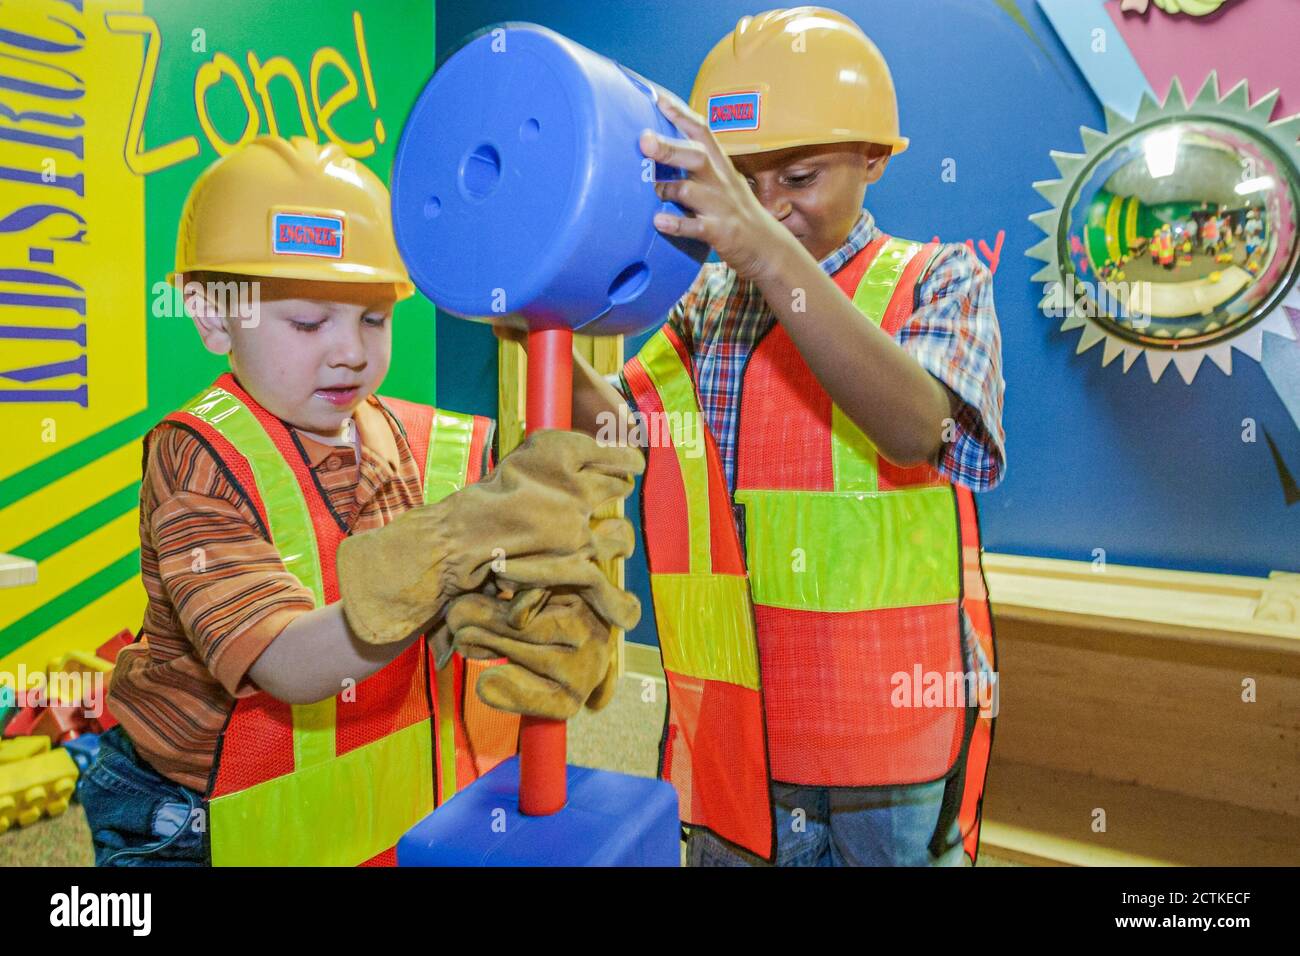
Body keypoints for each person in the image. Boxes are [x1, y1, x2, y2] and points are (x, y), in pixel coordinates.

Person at [494, 7, 1005, 866]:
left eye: (799, 177)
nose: (768, 208)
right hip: (741, 712)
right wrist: (526, 315)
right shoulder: (709, 308)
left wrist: (766, 253)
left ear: (874, 158)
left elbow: (917, 428)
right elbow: (622, 434)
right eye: (744, 182)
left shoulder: (939, 278)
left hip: (884, 724)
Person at [77, 135, 643, 866]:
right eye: (310, 322)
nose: (351, 350)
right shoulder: (198, 458)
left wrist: (529, 315)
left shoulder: (417, 436)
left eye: (374, 317)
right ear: (213, 313)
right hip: (190, 812)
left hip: (359, 795)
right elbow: (285, 665)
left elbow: (609, 433)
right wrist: (446, 555)